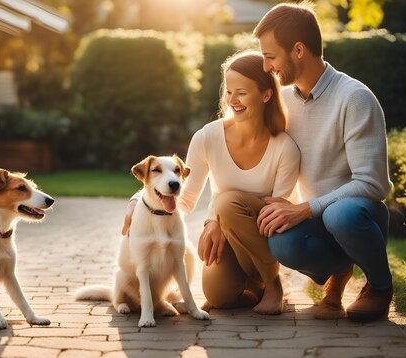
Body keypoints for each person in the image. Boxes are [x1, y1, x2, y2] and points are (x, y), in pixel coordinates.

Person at [122, 50, 301, 315]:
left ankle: (274, 284)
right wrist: (138, 202)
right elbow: (182, 197)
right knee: (218, 297)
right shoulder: (208, 137)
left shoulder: (285, 148)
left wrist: (219, 216)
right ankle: (253, 286)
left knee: (226, 202)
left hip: (270, 237)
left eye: (242, 92)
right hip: (228, 236)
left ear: (266, 94)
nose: (233, 100)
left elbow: (276, 211)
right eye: (229, 92)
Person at [253, 2, 394, 322]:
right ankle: (339, 274)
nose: (266, 67)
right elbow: (248, 145)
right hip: (321, 217)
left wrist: (304, 208)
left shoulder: (354, 98)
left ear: (298, 50)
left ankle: (379, 285)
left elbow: (372, 184)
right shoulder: (284, 100)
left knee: (340, 215)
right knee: (281, 240)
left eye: (270, 56)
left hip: (358, 213)